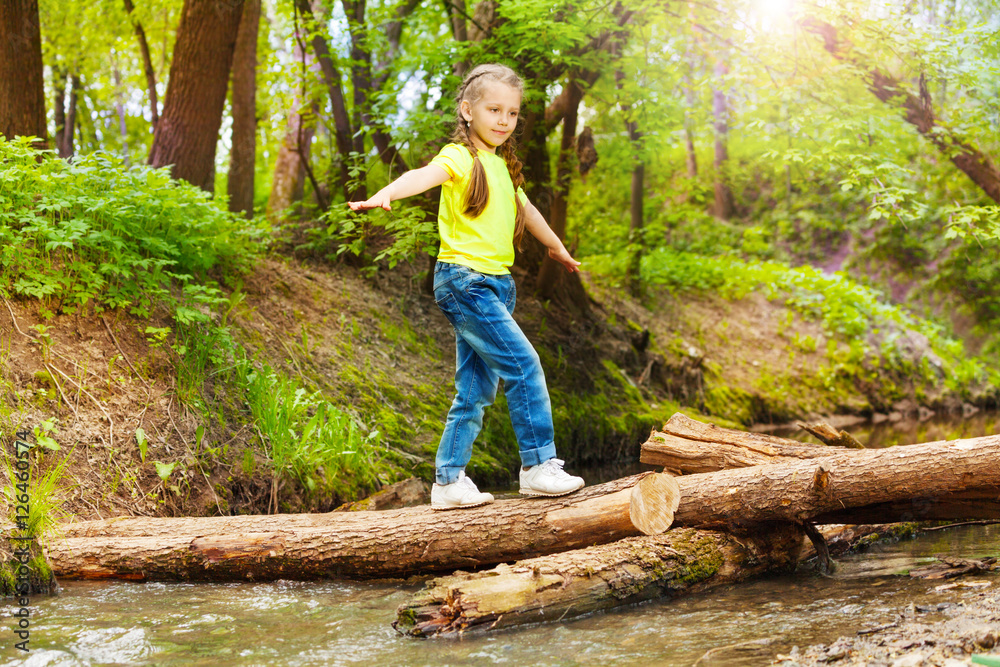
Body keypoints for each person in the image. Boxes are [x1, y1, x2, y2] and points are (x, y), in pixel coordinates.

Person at [349, 63, 585, 510]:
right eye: (494, 109)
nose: (503, 120)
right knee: (524, 364)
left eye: (512, 113)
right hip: (464, 281)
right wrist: (388, 192)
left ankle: (448, 481)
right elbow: (422, 175)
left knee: (475, 390)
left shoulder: (503, 167)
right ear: (467, 110)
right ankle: (538, 466)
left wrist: (556, 248)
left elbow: (528, 210)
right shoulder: (461, 157)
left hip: (497, 285)